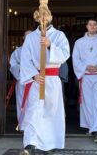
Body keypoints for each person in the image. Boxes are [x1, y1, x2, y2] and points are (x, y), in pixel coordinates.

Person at [19, 23, 70, 154]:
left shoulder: (59, 35)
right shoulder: (31, 38)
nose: (43, 18)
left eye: (46, 15)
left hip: (52, 80)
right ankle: (30, 143)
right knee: (33, 110)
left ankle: (50, 143)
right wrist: (33, 74)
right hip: (37, 79)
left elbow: (65, 54)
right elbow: (25, 58)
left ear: (49, 17)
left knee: (50, 112)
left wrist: (50, 45)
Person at [9, 30, 32, 130]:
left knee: (34, 102)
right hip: (22, 79)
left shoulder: (39, 50)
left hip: (35, 81)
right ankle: (22, 125)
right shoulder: (18, 51)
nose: (28, 38)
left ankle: (33, 125)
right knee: (21, 100)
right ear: (23, 38)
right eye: (26, 36)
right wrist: (21, 70)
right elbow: (12, 64)